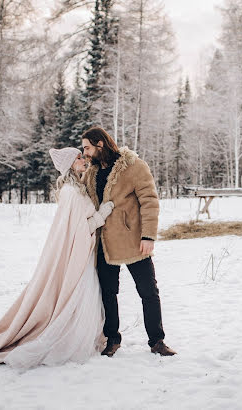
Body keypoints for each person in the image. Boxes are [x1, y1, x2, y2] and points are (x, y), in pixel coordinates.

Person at [0, 148, 115, 368]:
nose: (84, 160)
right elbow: (79, 230)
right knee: (76, 295)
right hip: (77, 254)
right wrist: (102, 214)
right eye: (79, 158)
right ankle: (66, 340)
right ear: (70, 165)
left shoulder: (77, 189)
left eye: (82, 156)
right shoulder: (71, 193)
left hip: (81, 254)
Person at [81, 127, 176, 357]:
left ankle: (157, 341)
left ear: (99, 144)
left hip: (134, 241)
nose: (84, 153)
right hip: (104, 243)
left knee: (148, 292)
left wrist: (148, 236)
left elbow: (150, 201)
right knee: (108, 293)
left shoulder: (133, 165)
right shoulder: (91, 173)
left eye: (87, 148)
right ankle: (112, 339)